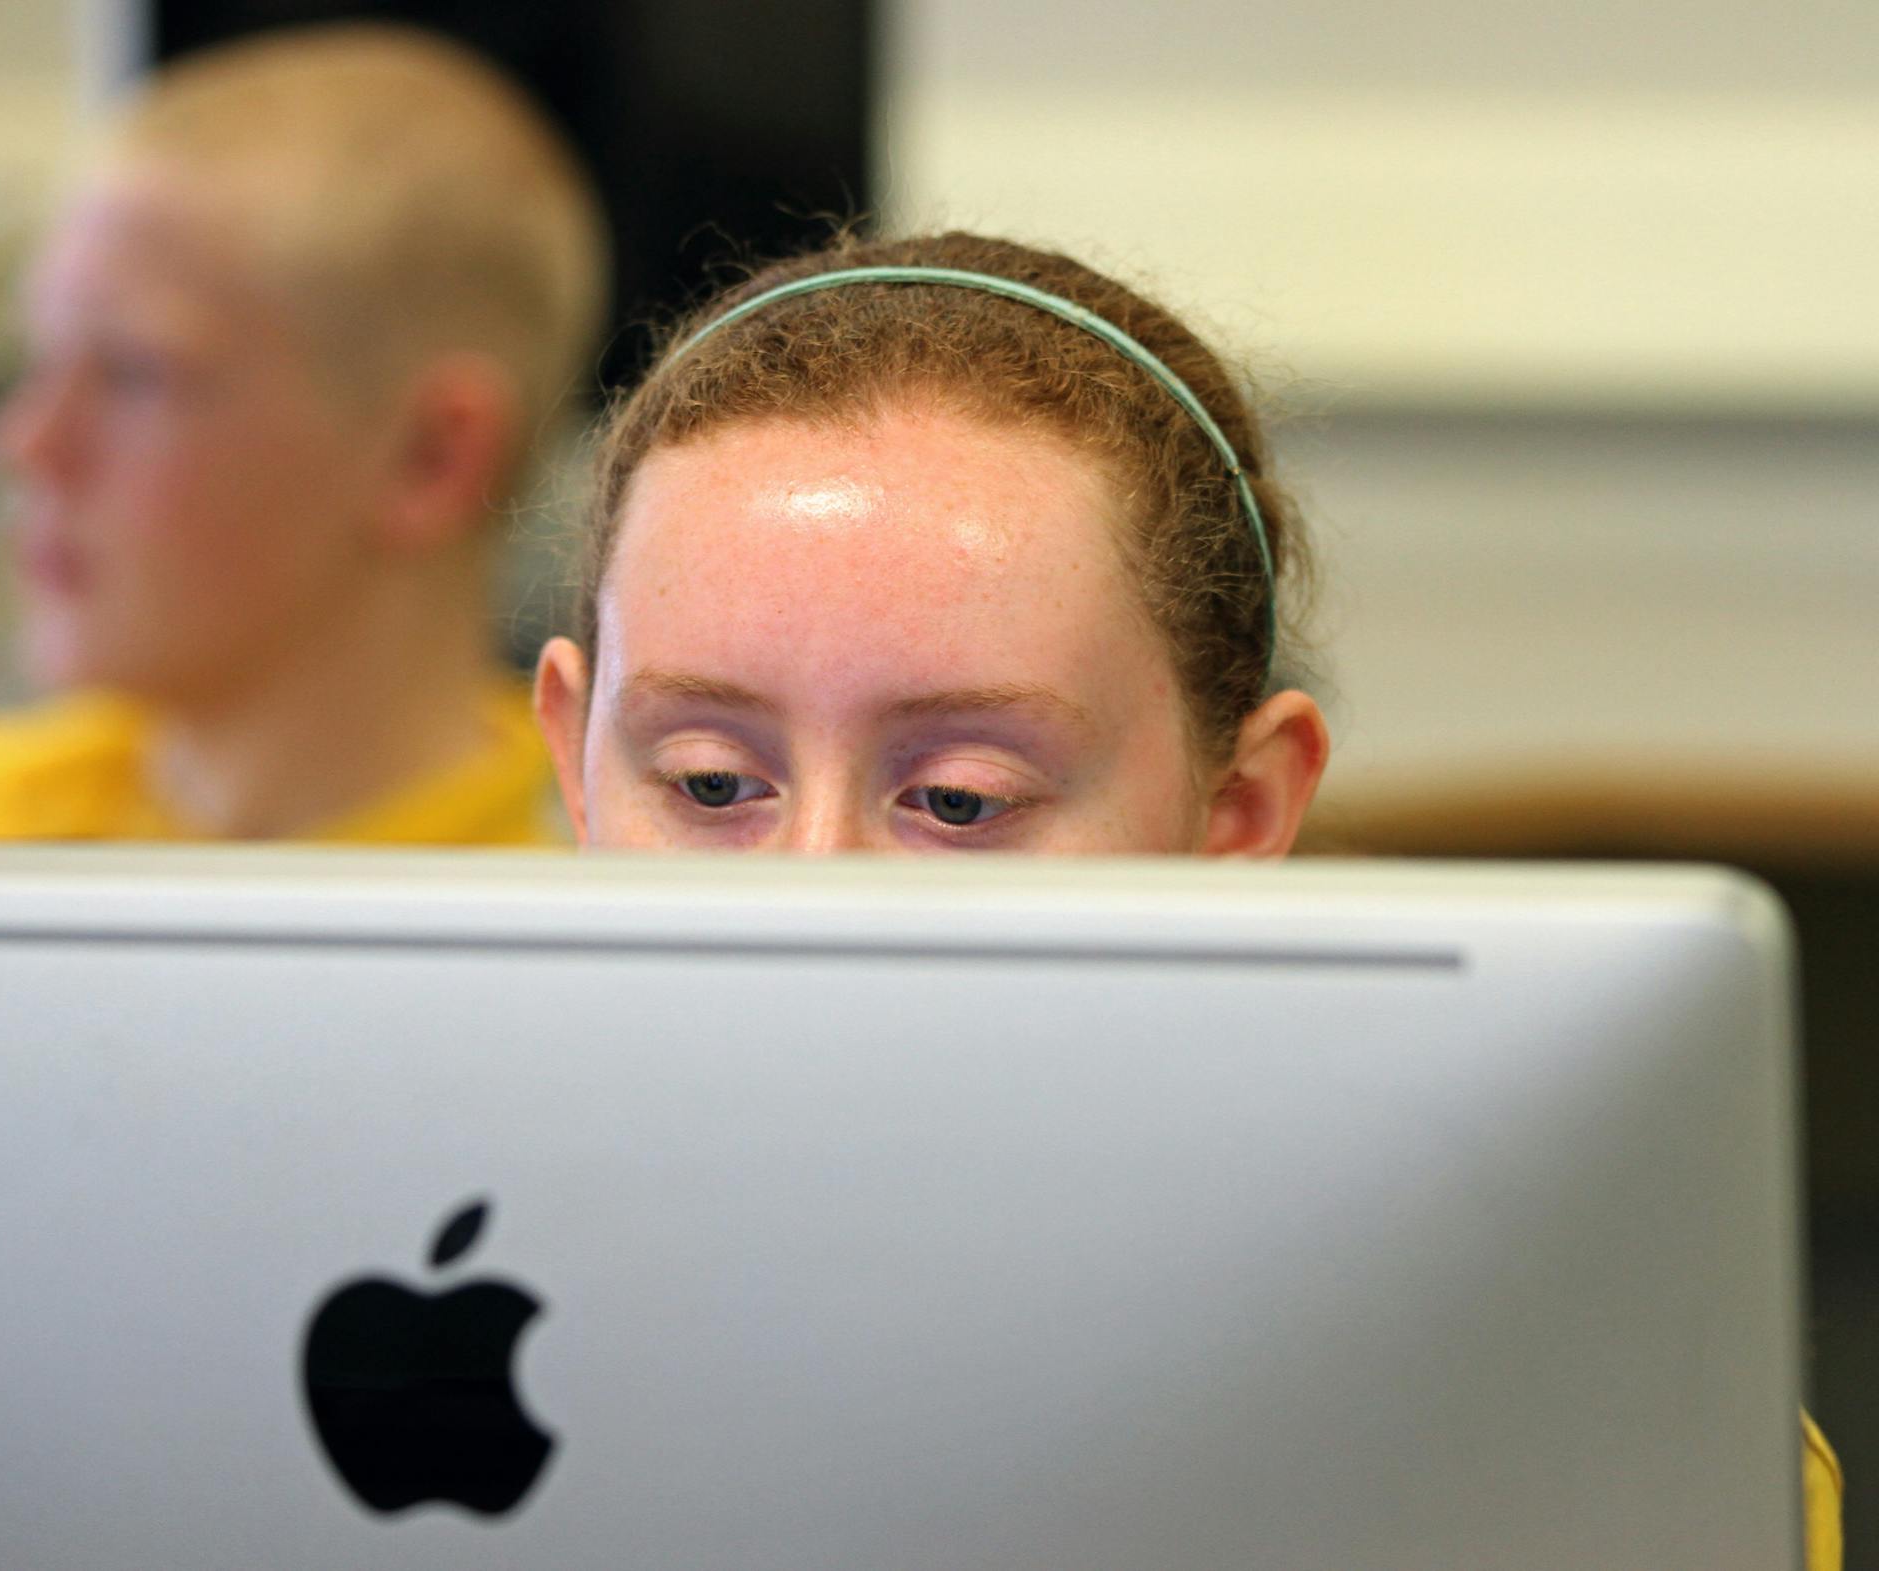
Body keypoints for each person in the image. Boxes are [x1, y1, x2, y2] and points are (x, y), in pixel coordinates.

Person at [531, 230, 1843, 1566]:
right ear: (576, 758)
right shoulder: (403, 1266)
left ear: (1240, 813)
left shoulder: (1571, 1392)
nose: (803, 900)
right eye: (706, 784)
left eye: (961, 801)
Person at [0, 24, 606, 844]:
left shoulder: (584, 900)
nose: (26, 443)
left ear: (431, 458)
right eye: (42, 358)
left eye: (133, 374)